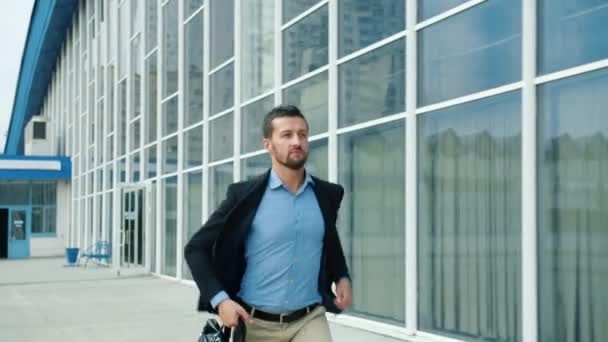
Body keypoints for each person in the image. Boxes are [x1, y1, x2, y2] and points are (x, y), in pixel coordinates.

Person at [185, 105, 352, 342]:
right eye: (287, 135)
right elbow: (195, 249)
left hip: (309, 319)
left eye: (302, 134)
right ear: (268, 145)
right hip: (254, 324)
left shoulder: (326, 195)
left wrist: (341, 275)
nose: (297, 141)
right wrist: (220, 300)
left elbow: (327, 239)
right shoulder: (243, 196)